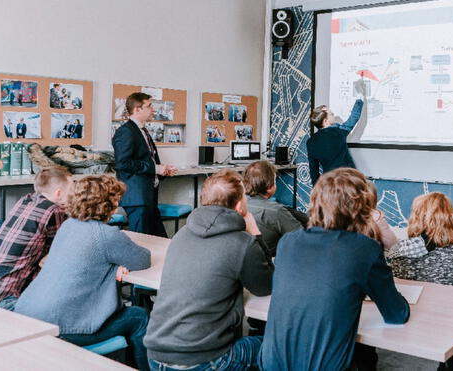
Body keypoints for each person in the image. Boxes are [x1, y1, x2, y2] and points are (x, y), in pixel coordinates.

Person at [259, 168, 410, 371]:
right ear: (361, 208)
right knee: (365, 355)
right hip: (325, 366)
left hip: (272, 364)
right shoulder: (364, 249)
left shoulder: (288, 242)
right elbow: (396, 314)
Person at [14, 175, 151, 371]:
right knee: (139, 317)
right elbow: (142, 259)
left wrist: (111, 264)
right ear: (107, 204)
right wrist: (114, 264)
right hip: (63, 327)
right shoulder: (106, 235)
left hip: (28, 315)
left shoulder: (68, 226)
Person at [144, 169, 273, 371]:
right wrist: (255, 233)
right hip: (202, 360)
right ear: (239, 206)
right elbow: (266, 286)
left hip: (155, 355)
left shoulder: (181, 234)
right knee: (278, 346)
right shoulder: (242, 243)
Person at [0, 167, 72, 309]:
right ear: (59, 193)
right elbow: (54, 258)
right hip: (6, 300)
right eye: (71, 191)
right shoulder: (53, 211)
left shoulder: (25, 200)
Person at [112, 92, 177, 237]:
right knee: (142, 241)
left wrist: (163, 170)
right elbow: (122, 163)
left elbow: (145, 160)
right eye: (149, 106)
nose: (153, 109)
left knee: (160, 240)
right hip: (137, 198)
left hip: (148, 197)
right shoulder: (126, 132)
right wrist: (156, 168)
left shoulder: (142, 130)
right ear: (137, 109)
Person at [390, 192, 453, 287]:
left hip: (412, 300)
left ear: (415, 219)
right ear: (452, 219)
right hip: (450, 300)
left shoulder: (400, 252)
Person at [243, 160, 303, 257]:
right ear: (269, 186)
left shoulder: (237, 205)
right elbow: (301, 238)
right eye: (275, 180)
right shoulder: (277, 211)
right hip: (271, 260)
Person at [306, 98, 364, 186]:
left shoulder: (310, 142)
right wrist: (360, 98)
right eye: (331, 114)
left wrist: (317, 189)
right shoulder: (338, 132)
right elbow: (354, 118)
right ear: (325, 121)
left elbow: (313, 170)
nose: (333, 115)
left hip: (329, 185)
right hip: (349, 182)